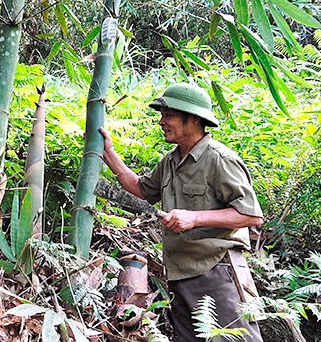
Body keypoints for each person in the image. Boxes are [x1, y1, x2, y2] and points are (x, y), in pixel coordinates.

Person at [99, 82, 264, 341]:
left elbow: (251, 215)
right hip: (178, 274)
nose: (161, 122)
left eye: (169, 115)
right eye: (161, 115)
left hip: (216, 271)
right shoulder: (170, 160)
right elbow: (142, 188)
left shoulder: (218, 159)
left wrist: (194, 218)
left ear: (194, 119)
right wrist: (109, 155)